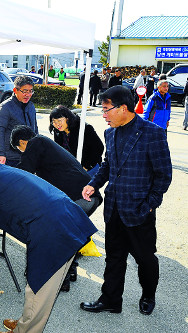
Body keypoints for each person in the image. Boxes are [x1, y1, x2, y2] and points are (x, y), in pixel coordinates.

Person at [0, 154, 97, 333]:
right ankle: (26, 324)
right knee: (42, 289)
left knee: (38, 287)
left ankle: (25, 330)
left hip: (52, 231)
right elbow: (2, 197)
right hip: (66, 215)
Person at [80, 85, 172, 316]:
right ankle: (110, 300)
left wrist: (150, 203)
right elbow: (108, 166)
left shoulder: (152, 133)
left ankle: (148, 295)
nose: (103, 115)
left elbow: (163, 174)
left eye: (106, 109)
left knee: (145, 259)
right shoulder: (110, 133)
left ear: (123, 108)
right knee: (114, 257)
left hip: (140, 210)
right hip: (114, 208)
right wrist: (94, 184)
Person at [10, 125, 103, 292]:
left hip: (79, 197)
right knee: (68, 234)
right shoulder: (45, 144)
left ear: (23, 142)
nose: (22, 152)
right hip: (89, 197)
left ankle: (62, 279)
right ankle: (71, 270)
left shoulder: (36, 143)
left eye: (20, 148)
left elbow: (24, 172)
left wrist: (2, 173)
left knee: (57, 236)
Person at [0, 75, 38, 166]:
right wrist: (0, 154)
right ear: (15, 90)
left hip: (28, 155)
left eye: (31, 91)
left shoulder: (31, 106)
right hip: (11, 158)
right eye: (25, 91)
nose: (28, 95)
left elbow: (35, 129)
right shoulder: (5, 107)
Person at [49, 106, 104, 174]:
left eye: (59, 120)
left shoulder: (84, 128)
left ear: (67, 118)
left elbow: (99, 147)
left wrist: (86, 167)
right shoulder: (58, 131)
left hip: (89, 166)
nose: (57, 124)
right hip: (71, 167)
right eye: (54, 121)